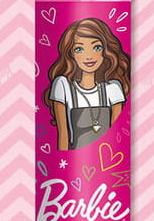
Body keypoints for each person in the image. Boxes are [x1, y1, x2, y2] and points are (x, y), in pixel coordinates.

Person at [44, 19, 130, 151]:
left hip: (106, 157)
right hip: (74, 158)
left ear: (105, 51)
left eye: (96, 48)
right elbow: (63, 135)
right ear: (70, 54)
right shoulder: (63, 85)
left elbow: (115, 136)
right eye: (79, 49)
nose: (89, 56)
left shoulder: (112, 88)